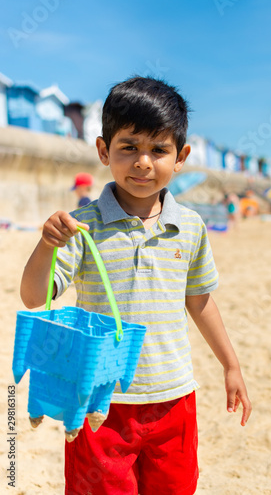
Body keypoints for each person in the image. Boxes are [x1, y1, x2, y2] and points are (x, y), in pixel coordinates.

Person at [20, 76, 251, 495]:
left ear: (180, 157)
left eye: (158, 150)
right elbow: (35, 297)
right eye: (129, 147)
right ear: (104, 150)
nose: (144, 162)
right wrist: (46, 244)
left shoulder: (191, 226)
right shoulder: (82, 225)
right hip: (99, 404)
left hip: (174, 397)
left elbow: (199, 301)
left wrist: (230, 365)